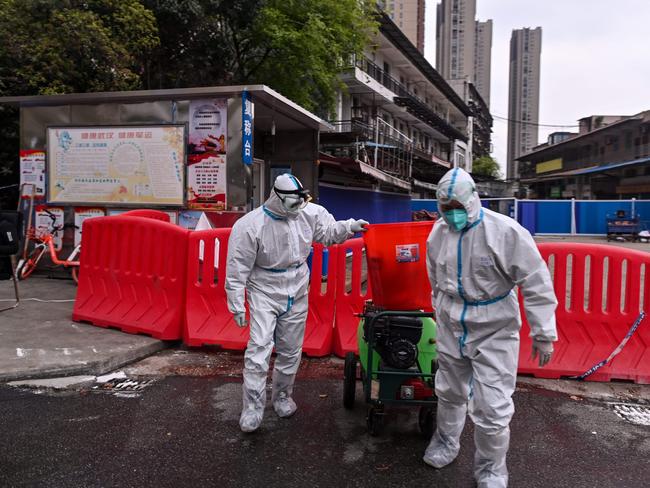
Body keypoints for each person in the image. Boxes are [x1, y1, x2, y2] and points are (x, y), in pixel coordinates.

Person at [423, 168, 557, 488]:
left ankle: (491, 469)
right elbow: (435, 281)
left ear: (473, 200)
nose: (452, 214)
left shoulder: (505, 232)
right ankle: (445, 442)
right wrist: (439, 314)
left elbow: (536, 282)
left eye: (457, 207)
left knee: (492, 406)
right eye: (446, 208)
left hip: (495, 327)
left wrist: (543, 333)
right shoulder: (437, 234)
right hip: (452, 324)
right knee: (449, 391)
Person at [225, 173, 369, 433]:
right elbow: (237, 267)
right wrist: (236, 303)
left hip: (297, 286)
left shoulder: (308, 212)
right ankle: (253, 407)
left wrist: (349, 227)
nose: (296, 210)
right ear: (277, 198)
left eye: (300, 203)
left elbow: (327, 233)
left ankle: (281, 396)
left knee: (291, 349)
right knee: (259, 349)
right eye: (292, 205)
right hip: (264, 289)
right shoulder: (250, 226)